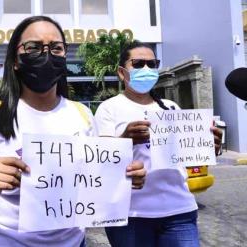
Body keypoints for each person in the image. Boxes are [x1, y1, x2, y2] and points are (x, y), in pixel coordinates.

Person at [0, 16, 146, 247]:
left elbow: (93, 182)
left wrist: (122, 178)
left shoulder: (82, 114)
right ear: (16, 60)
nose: (46, 54)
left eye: (56, 48)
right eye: (33, 47)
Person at [94, 40, 222, 247]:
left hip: (179, 211)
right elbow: (99, 160)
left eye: (152, 64)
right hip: (130, 214)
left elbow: (188, 156)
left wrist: (209, 148)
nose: (146, 69)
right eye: (137, 64)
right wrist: (125, 139)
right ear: (121, 72)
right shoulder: (109, 109)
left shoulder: (171, 107)